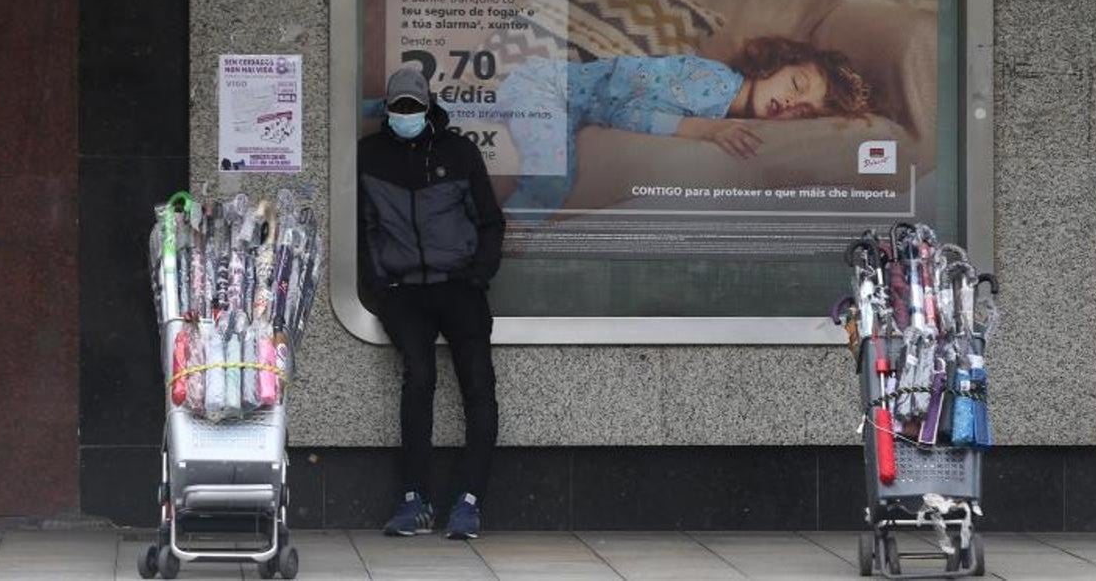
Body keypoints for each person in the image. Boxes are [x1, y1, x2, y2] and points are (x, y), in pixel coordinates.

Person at [358, 67, 506, 540]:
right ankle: (413, 500)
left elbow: (490, 221)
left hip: (459, 286)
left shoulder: (459, 152)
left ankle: (469, 501)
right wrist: (380, 291)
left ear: (428, 107)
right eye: (398, 107)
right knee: (418, 379)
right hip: (405, 293)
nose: (406, 115)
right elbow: (363, 230)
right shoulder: (370, 156)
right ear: (387, 110)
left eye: (413, 107)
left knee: (478, 386)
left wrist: (479, 276)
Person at [497, 36, 872, 211]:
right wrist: (705, 131)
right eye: (796, 84)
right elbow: (625, 112)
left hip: (559, 97)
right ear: (777, 63)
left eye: (804, 111)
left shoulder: (722, 102)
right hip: (545, 87)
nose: (792, 103)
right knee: (551, 176)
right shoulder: (716, 85)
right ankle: (497, 246)